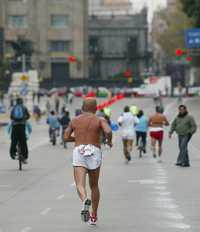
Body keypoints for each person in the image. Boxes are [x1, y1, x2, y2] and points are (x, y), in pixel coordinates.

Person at [64, 98, 112, 225]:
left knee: (79, 184)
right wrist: (109, 141)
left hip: (79, 150)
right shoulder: (100, 120)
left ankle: (85, 199)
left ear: (82, 108)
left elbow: (65, 137)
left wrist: (77, 139)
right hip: (94, 150)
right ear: (96, 108)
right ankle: (94, 215)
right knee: (94, 185)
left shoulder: (74, 120)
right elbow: (108, 131)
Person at [10, 98, 30, 163]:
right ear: (22, 102)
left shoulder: (14, 108)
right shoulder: (24, 107)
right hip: (22, 126)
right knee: (23, 141)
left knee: (13, 140)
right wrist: (24, 119)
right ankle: (25, 155)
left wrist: (15, 120)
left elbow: (11, 117)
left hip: (15, 126)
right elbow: (28, 116)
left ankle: (12, 154)